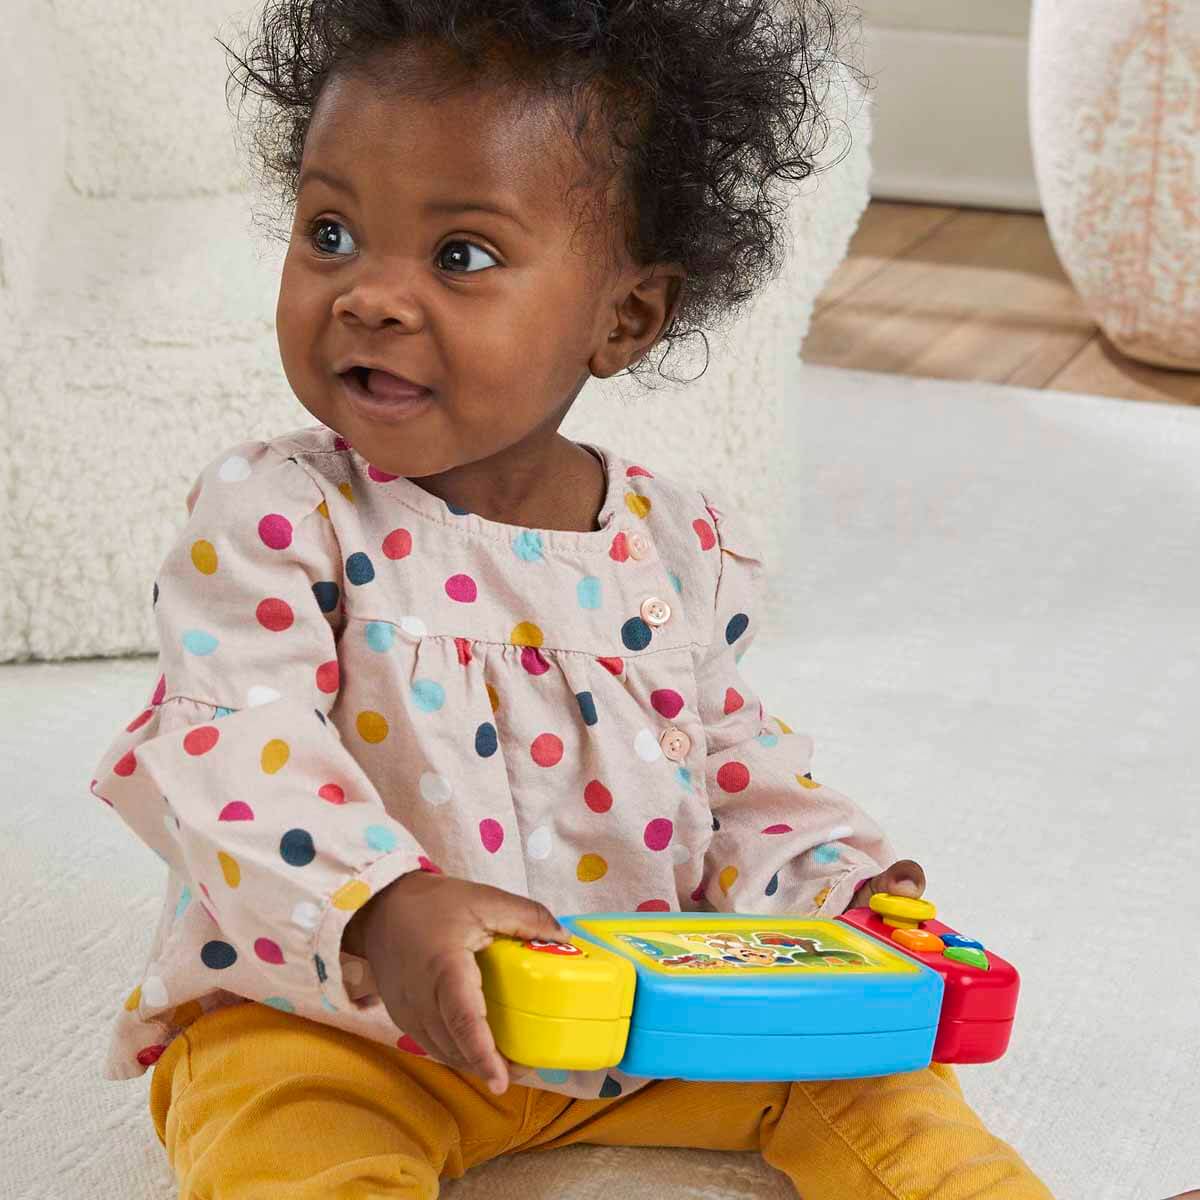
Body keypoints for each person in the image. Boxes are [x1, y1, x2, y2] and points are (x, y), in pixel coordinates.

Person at [89, 1, 1061, 1195]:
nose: (370, 296)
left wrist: (834, 889)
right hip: (349, 1021)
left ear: (625, 317)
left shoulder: (670, 543)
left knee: (883, 1084)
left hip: (641, 1020)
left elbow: (732, 768)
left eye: (460, 256)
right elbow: (231, 747)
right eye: (330, 233)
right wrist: (384, 908)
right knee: (278, 1117)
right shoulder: (279, 515)